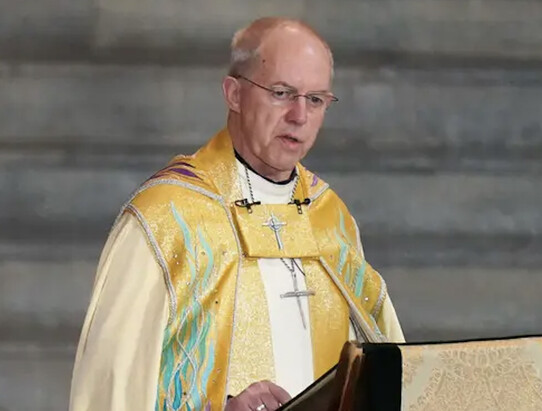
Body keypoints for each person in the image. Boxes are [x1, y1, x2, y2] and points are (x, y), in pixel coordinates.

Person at [68, 17, 404, 411]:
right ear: (234, 94)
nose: (300, 116)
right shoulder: (166, 218)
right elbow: (114, 386)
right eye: (282, 93)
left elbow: (385, 366)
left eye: (315, 100)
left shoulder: (329, 217)